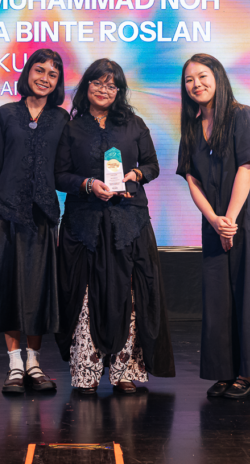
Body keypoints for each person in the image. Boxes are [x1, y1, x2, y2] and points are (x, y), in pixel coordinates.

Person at [54, 58, 175, 394]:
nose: (104, 90)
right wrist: (88, 184)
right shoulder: (71, 128)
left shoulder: (134, 124)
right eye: (98, 83)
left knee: (130, 295)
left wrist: (135, 174)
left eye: (112, 85)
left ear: (119, 91)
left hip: (129, 221)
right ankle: (87, 373)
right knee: (85, 297)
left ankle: (124, 372)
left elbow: (152, 165)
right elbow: (59, 175)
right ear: (86, 86)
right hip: (84, 225)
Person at [176, 53, 250, 399]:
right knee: (218, 299)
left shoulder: (243, 115)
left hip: (249, 220)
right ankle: (224, 371)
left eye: (202, 76)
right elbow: (192, 179)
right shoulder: (192, 126)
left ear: (218, 77)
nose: (196, 84)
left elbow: (247, 167)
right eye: (189, 80)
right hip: (215, 223)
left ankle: (247, 373)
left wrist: (229, 219)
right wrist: (214, 220)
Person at [0, 48, 70, 394]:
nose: (44, 78)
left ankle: (34, 363)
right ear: (28, 72)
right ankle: (15, 364)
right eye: (39, 70)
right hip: (6, 211)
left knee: (39, 290)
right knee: (9, 287)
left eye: (52, 74)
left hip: (43, 214)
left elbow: (66, 168)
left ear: (58, 82)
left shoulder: (61, 118)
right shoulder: (6, 114)